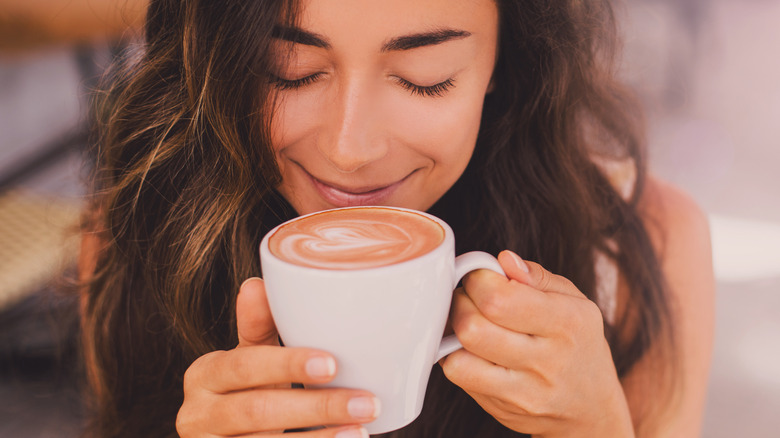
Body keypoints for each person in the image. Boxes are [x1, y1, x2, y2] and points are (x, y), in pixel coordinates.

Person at [78, 0, 715, 437]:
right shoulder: (137, 233)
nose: (349, 149)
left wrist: (598, 427)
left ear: (504, 62)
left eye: (423, 78)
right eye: (290, 72)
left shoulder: (644, 251)